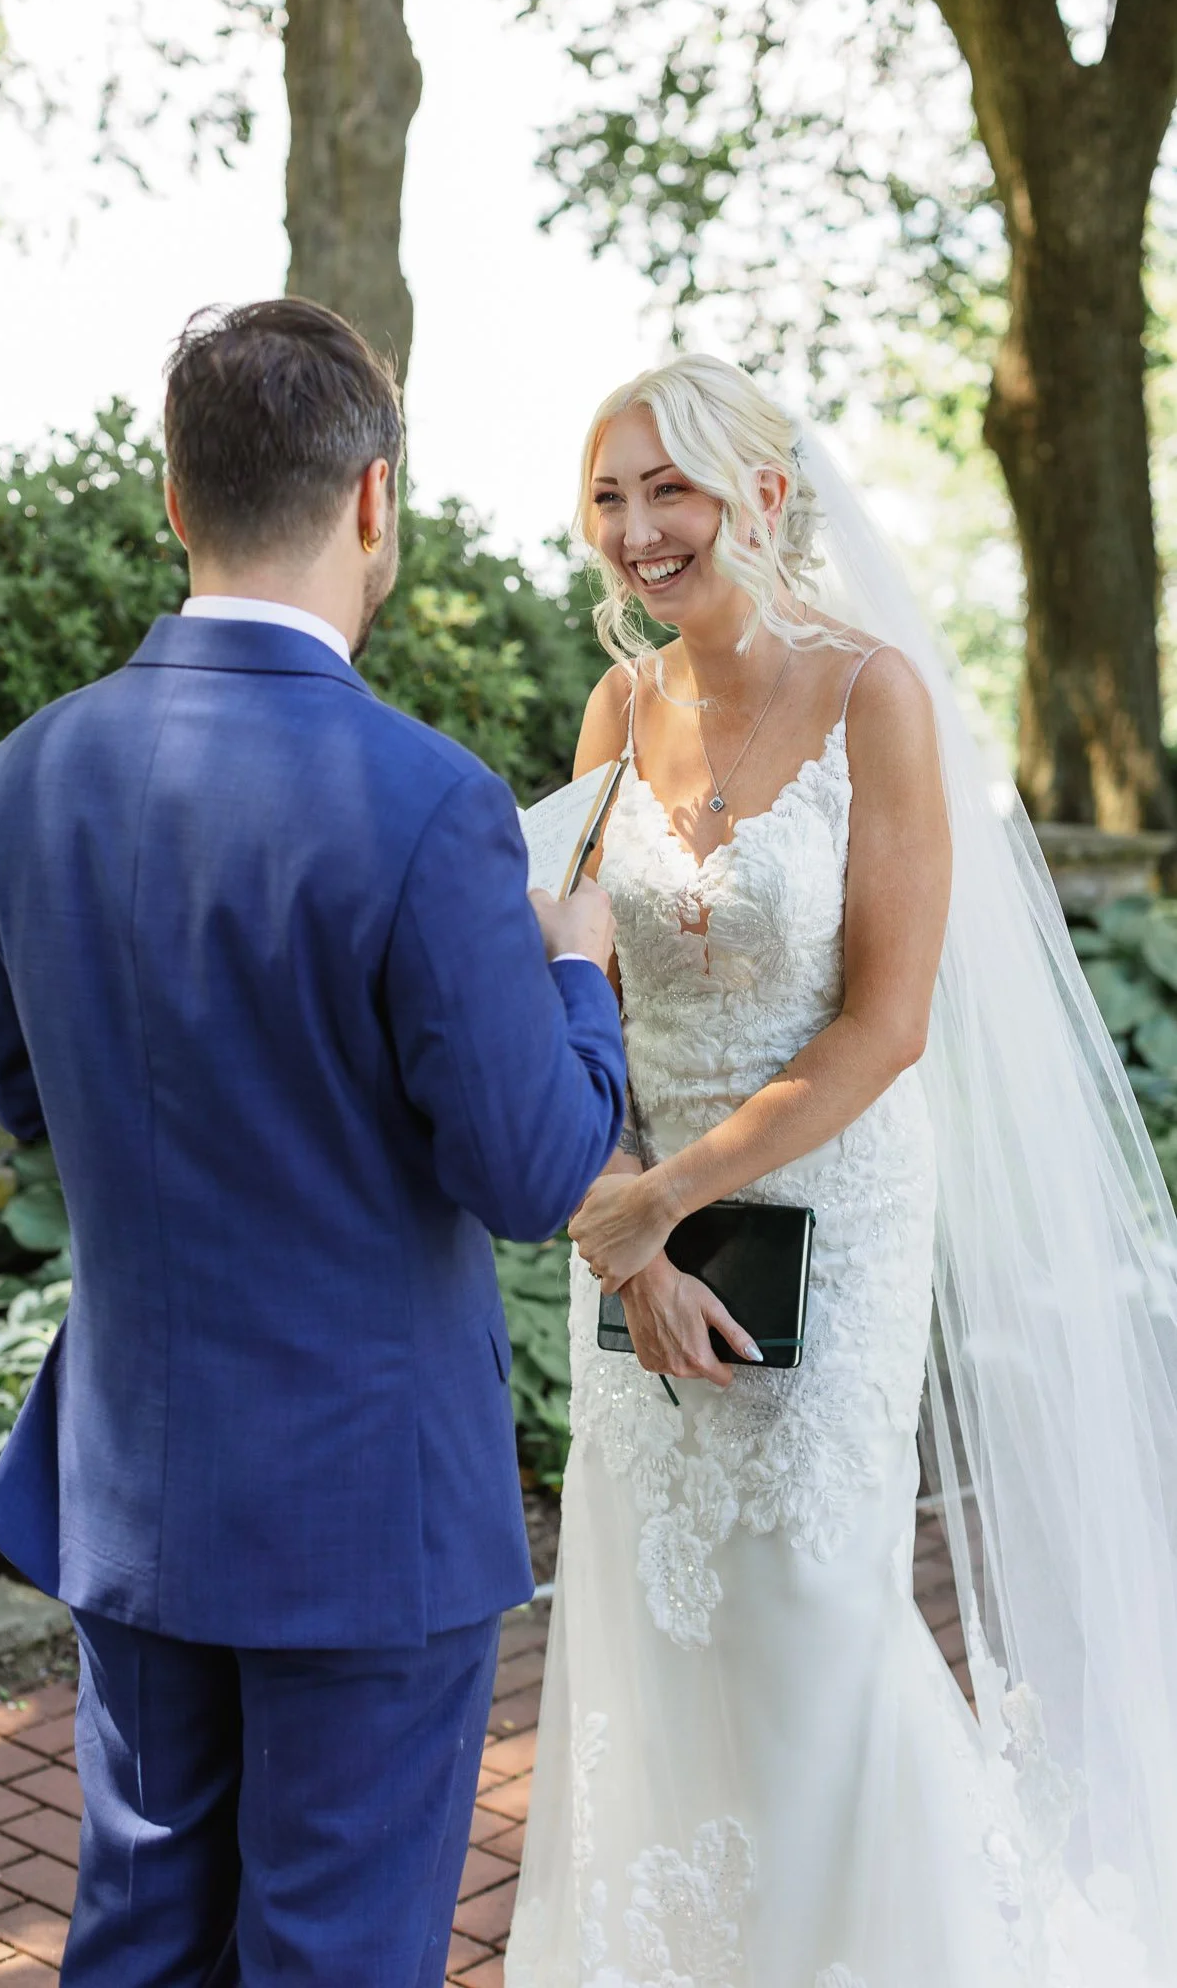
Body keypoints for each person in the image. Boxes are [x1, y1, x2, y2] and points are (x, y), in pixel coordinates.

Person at [0, 298, 627, 1987]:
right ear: (375, 501)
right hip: (361, 1510)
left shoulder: (22, 781)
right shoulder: (428, 801)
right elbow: (539, 1172)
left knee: (139, 1934)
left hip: (135, 1482)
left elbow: (30, 1104)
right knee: (335, 1953)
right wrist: (579, 975)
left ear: (176, 502)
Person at [505, 354, 1177, 1987]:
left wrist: (668, 1200)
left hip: (833, 1213)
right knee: (656, 1611)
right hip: (643, 1225)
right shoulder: (617, 710)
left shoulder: (876, 695)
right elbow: (575, 981)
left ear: (767, 496)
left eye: (671, 488)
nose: (639, 529)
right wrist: (629, 1227)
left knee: (810, 1609)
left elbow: (887, 1026)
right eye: (610, 496)